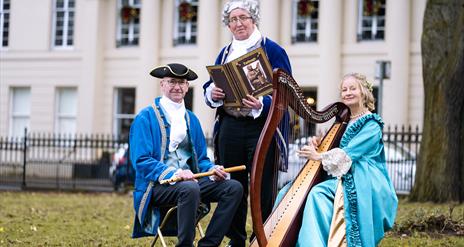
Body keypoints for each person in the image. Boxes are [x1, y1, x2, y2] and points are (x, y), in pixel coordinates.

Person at [202, 0, 292, 246]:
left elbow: (285, 90)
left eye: (243, 17)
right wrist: (213, 92)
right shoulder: (225, 52)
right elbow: (211, 84)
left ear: (254, 19)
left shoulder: (273, 50)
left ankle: (262, 236)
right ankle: (237, 239)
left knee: (262, 186)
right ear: (228, 24)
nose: (238, 23)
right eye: (233, 19)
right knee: (233, 185)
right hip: (231, 125)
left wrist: (262, 103)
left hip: (261, 127)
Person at [130, 63, 243, 247]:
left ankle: (209, 244)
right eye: (172, 81)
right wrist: (174, 174)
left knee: (234, 188)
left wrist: (212, 169)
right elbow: (141, 161)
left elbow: (201, 160)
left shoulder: (192, 119)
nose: (177, 87)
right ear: (162, 85)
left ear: (187, 87)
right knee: (189, 188)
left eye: (181, 82)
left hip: (191, 184)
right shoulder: (145, 117)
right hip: (157, 186)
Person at [293, 73, 398, 246]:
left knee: (317, 194)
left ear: (363, 92)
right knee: (289, 192)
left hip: (364, 179)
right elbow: (336, 149)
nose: (347, 92)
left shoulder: (371, 124)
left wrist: (318, 156)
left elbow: (348, 155)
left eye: (352, 88)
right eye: (344, 89)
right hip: (344, 173)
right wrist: (319, 145)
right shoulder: (344, 121)